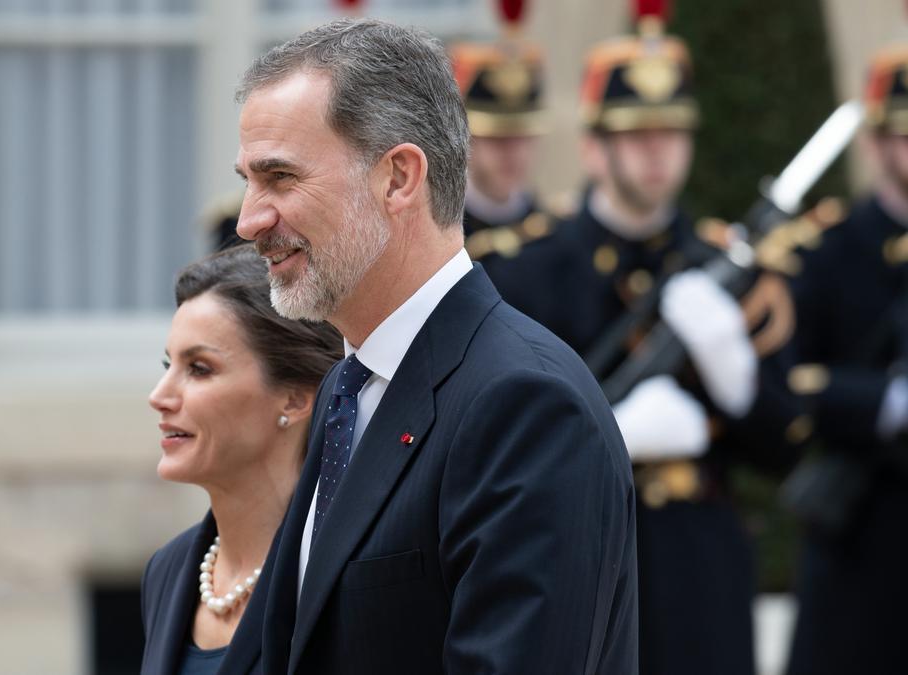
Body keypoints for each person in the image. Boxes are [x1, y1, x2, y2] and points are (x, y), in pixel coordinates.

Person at [232, 18, 637, 673]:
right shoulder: (349, 386)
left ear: (398, 178)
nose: (250, 219)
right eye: (248, 180)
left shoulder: (524, 406)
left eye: (279, 178)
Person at [484, 17, 808, 675]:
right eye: (636, 133)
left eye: (672, 131)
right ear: (595, 148)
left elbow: (786, 446)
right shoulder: (532, 270)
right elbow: (499, 440)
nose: (658, 152)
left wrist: (736, 377)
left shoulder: (721, 264)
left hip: (702, 558)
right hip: (586, 554)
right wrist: (610, 433)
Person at [140, 245, 342, 675]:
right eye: (167, 364)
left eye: (199, 368)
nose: (159, 396)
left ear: (296, 397)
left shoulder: (342, 574)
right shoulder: (168, 570)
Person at [784, 44, 908, 675]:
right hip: (862, 530)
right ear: (876, 144)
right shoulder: (831, 250)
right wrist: (885, 403)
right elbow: (791, 382)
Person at [451, 38, 557, 279]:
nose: (513, 152)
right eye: (497, 138)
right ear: (463, 136)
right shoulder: (441, 232)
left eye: (522, 137)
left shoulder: (551, 232)